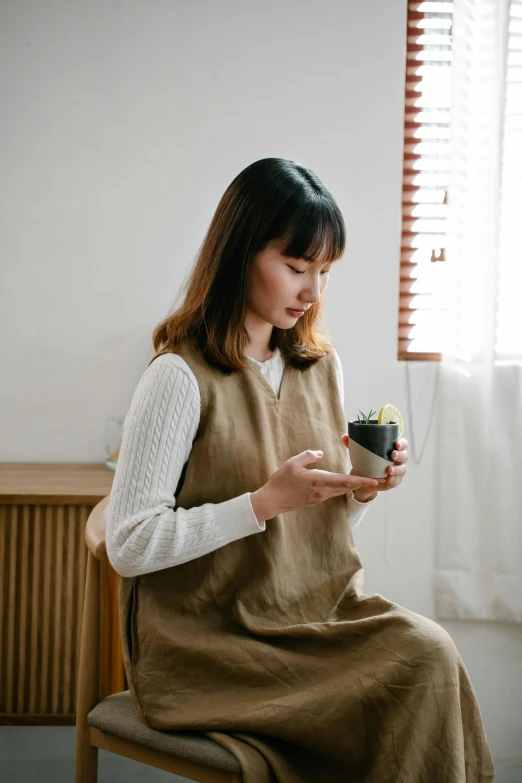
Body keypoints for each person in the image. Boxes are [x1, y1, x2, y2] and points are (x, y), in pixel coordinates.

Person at [106, 158, 495, 782]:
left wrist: (363, 489)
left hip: (312, 616)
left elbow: (313, 537)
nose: (312, 291)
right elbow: (127, 546)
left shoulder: (320, 367)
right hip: (212, 644)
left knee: (428, 650)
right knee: (412, 671)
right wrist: (260, 504)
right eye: (294, 268)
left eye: (323, 271)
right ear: (239, 254)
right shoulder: (177, 377)